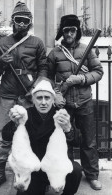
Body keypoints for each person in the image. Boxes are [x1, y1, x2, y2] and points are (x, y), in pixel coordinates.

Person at [0, 1, 48, 193]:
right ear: (13, 21)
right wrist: (0, 62)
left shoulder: (37, 43)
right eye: (18, 20)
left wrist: (36, 87)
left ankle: (27, 173)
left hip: (27, 94)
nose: (21, 24)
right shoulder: (3, 43)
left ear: (29, 23)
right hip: (7, 94)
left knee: (29, 134)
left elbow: (43, 69)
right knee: (5, 135)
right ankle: (1, 173)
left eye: (25, 21)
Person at [47, 14, 104, 190]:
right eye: (66, 30)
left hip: (85, 101)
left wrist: (80, 79)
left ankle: (92, 175)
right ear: (62, 32)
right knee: (63, 140)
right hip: (64, 104)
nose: (70, 33)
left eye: (73, 30)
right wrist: (55, 93)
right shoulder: (54, 53)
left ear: (77, 31)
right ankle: (68, 174)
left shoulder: (86, 50)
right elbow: (47, 78)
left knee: (89, 141)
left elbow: (98, 71)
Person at [1, 79, 82, 195]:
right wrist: (15, 123)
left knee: (76, 170)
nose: (43, 102)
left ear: (53, 99)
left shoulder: (60, 115)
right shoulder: (25, 115)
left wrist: (68, 128)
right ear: (33, 100)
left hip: (56, 166)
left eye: (47, 98)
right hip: (34, 168)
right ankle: (41, 186)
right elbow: (5, 136)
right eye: (39, 98)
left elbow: (78, 141)